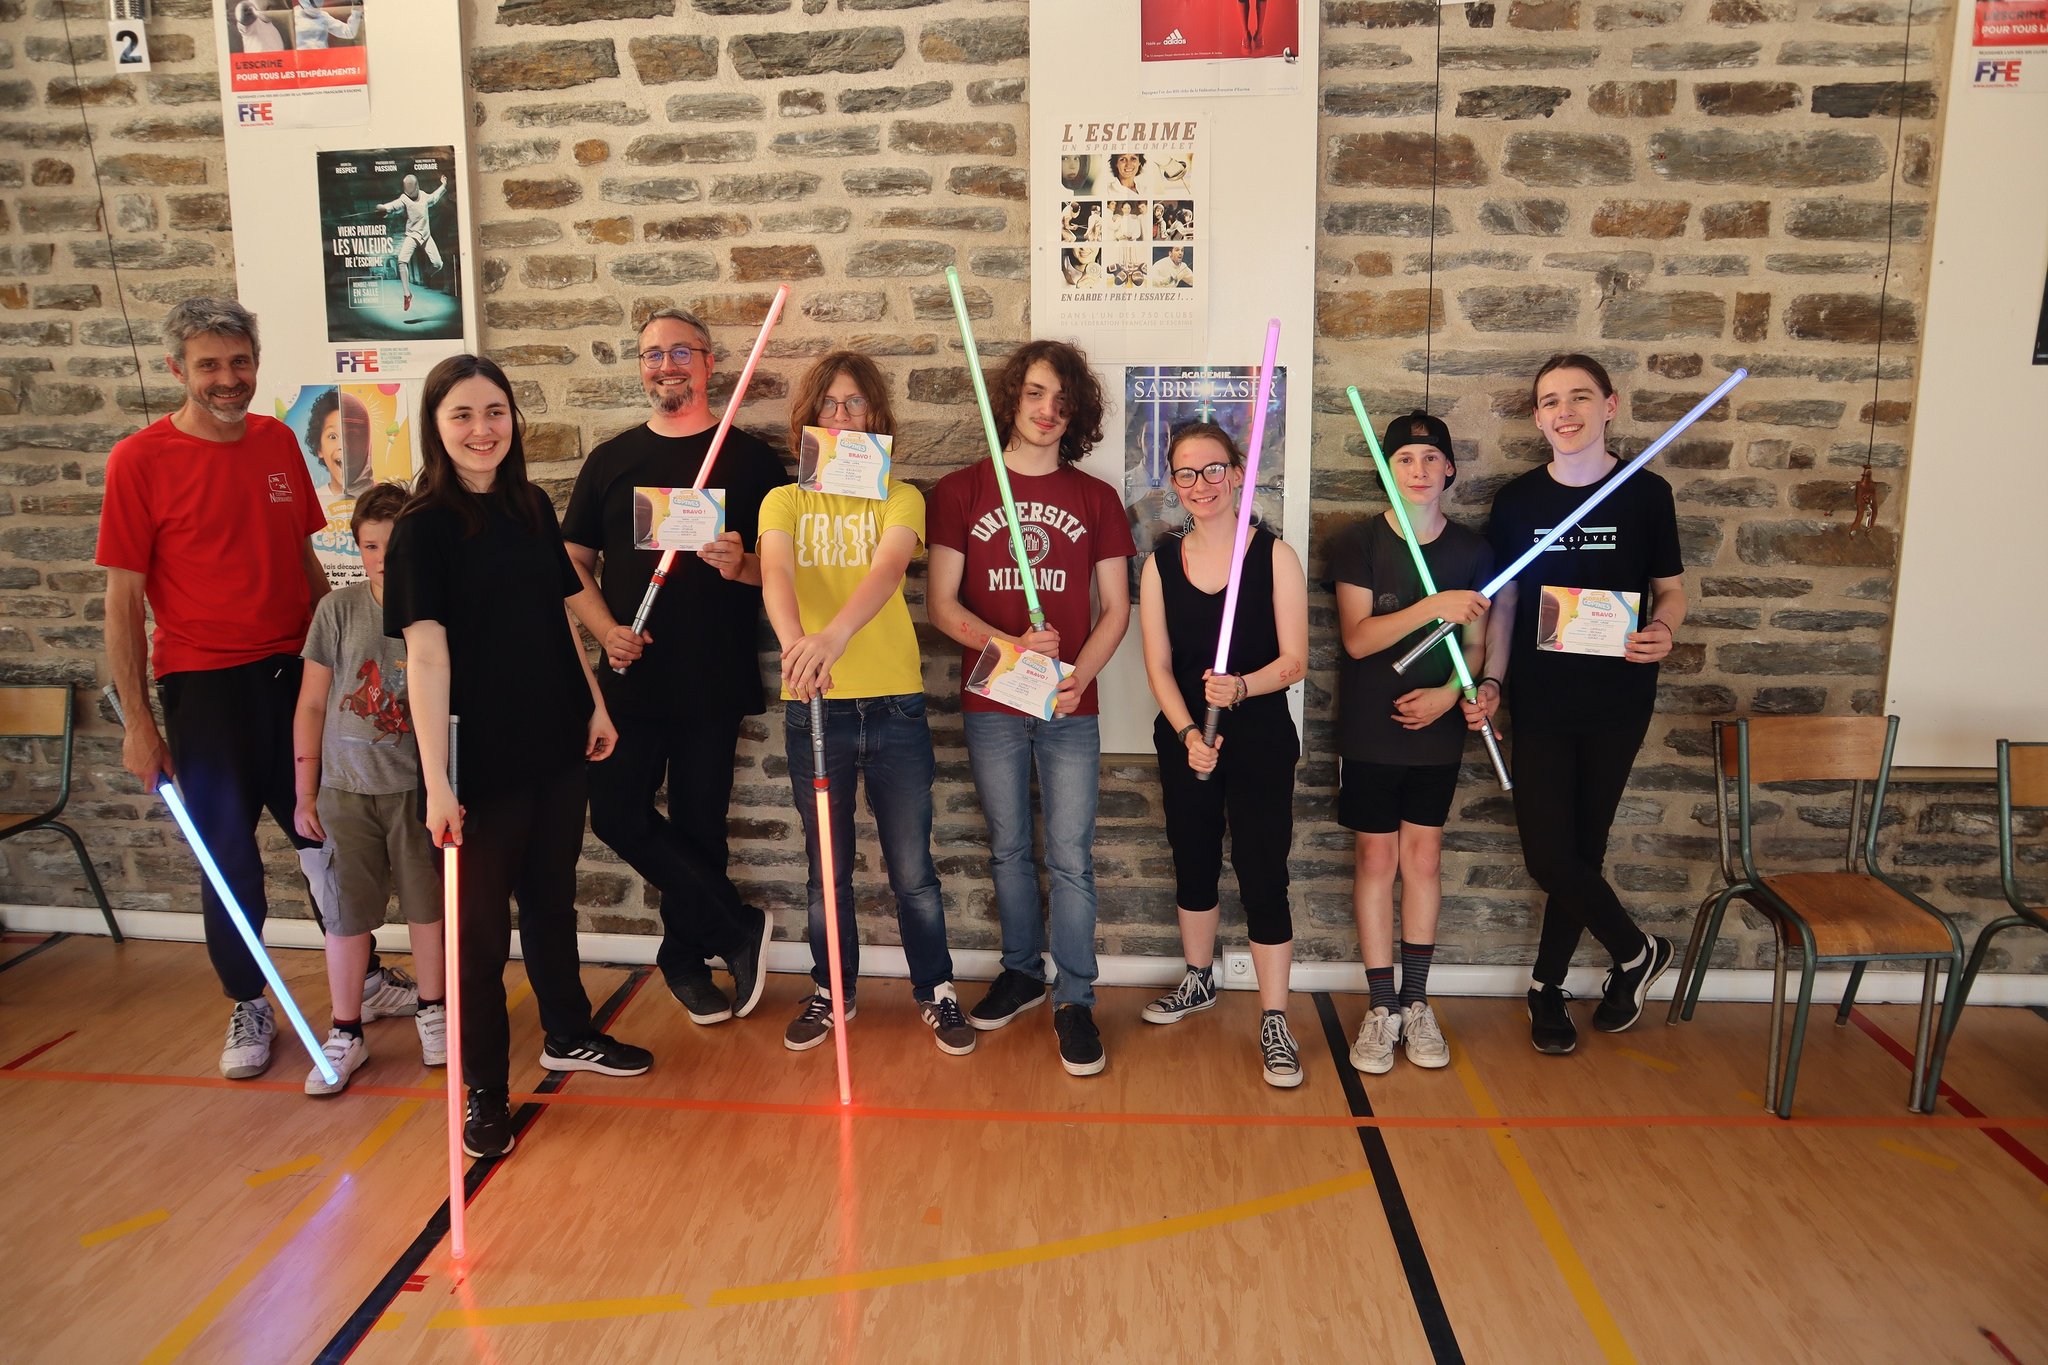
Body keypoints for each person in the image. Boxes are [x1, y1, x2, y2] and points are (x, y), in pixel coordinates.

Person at [99, 296, 413, 1081]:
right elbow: (122, 602)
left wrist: (344, 658)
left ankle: (364, 978)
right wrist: (138, 723)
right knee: (230, 859)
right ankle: (249, 999)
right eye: (208, 364)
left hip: (296, 677)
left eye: (239, 361)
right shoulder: (138, 460)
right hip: (203, 689)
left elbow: (305, 562)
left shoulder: (276, 441)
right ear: (176, 369)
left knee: (329, 842)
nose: (227, 377)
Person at [384, 354, 652, 1160]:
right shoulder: (422, 528)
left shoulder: (530, 504)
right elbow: (425, 658)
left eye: (495, 411)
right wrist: (437, 781)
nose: (482, 429)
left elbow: (557, 615)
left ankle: (568, 1032)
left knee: (550, 902)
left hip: (555, 741)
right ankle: (484, 1088)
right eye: (463, 414)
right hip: (479, 762)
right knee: (477, 937)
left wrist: (593, 701)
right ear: (436, 426)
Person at [564, 308, 787, 1025]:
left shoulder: (751, 461)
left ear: (709, 361)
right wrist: (605, 628)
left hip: (713, 676)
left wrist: (741, 563)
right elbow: (570, 564)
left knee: (700, 825)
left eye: (681, 351)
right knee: (615, 813)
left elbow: (784, 573)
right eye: (652, 353)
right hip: (630, 675)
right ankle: (735, 924)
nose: (666, 364)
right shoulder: (611, 460)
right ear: (641, 368)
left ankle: (685, 959)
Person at [927, 340, 1134, 1077]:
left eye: (1063, 400)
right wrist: (1012, 645)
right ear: (1011, 398)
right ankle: (1021, 972)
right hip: (993, 698)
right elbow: (941, 605)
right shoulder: (961, 491)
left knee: (1071, 856)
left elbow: (1116, 608)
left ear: (1077, 415)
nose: (1048, 411)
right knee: (1010, 847)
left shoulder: (1096, 499)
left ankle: (1075, 999)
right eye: (1036, 394)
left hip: (1071, 704)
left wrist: (1079, 675)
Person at [1472, 354, 1687, 1056]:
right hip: (1540, 700)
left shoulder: (1646, 493)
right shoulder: (1518, 502)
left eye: (1579, 397)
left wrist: (1665, 630)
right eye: (1550, 401)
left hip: (1618, 700)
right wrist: (1493, 680)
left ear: (1609, 405)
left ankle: (1546, 986)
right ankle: (1637, 950)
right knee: (1549, 855)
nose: (1565, 411)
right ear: (1537, 417)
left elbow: (1670, 590)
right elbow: (1506, 603)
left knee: (1583, 850)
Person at [758, 352, 968, 1057]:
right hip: (815, 705)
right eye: (830, 403)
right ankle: (832, 988)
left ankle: (935, 988)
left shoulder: (901, 496)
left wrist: (835, 637)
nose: (842, 416)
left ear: (876, 416)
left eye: (855, 403)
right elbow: (776, 572)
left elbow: (887, 571)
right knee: (827, 870)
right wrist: (797, 646)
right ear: (808, 417)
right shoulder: (784, 500)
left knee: (913, 870)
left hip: (894, 706)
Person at [1137, 423, 1309, 1088]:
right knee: (1193, 858)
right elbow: (1157, 666)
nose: (1200, 484)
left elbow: (1294, 661)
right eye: (1186, 473)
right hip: (1188, 740)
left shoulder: (1274, 557)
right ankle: (1199, 978)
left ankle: (1274, 1017)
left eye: (1213, 469)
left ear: (1237, 474)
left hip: (1261, 737)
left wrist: (1240, 686)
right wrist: (1188, 735)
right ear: (1173, 483)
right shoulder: (1159, 564)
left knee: (1263, 870)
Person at [1329, 411, 1493, 1075]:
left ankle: (1416, 1002)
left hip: (1437, 732)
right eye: (1404, 459)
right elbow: (1358, 639)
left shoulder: (1474, 551)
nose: (1419, 470)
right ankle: (1381, 1008)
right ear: (1387, 469)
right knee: (1376, 858)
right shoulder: (1358, 542)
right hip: (1371, 731)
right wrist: (1434, 606)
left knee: (1424, 859)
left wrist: (1452, 694)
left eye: (1430, 459)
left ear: (1449, 469)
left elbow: (1477, 645)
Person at [292, 482, 447, 1095]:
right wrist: (306, 791)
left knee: (427, 909)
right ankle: (346, 1028)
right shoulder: (337, 610)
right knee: (346, 916)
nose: (383, 557)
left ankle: (433, 1009)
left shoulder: (437, 610)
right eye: (371, 545)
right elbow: (311, 703)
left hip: (414, 792)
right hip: (345, 792)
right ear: (357, 548)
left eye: (395, 544)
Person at [375, 174, 446, 313]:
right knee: (402, 261)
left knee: (438, 264)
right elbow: (394, 206)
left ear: (417, 187)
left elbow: (435, 197)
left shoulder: (424, 196)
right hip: (412, 235)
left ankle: (427, 274)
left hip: (426, 235)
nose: (410, 196)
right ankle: (407, 295)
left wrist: (443, 185)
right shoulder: (404, 198)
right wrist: (384, 208)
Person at [293, 0, 361, 48]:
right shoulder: (293, 16)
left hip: (322, 60)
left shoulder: (323, 16)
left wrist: (356, 9)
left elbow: (349, 32)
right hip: (301, 61)